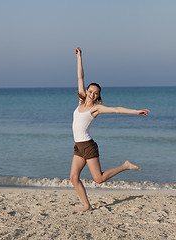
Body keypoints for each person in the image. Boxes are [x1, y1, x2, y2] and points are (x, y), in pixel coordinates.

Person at [70, 47, 150, 212]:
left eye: (96, 93)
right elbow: (80, 76)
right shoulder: (80, 102)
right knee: (73, 177)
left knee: (98, 179)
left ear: (98, 97)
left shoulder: (96, 109)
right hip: (78, 146)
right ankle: (87, 205)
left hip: (88, 146)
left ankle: (125, 166)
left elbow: (117, 109)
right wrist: (80, 57)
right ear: (86, 91)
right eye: (90, 91)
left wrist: (136, 111)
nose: (92, 94)